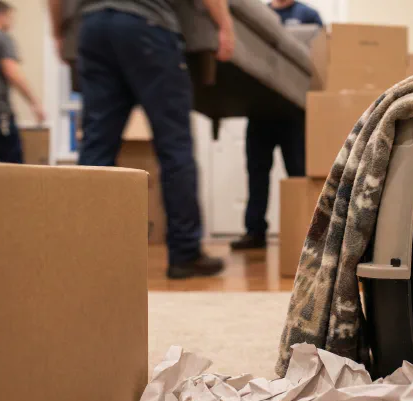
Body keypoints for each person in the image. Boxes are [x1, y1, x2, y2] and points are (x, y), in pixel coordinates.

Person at [48, 0, 235, 279]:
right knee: (174, 146)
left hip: (93, 28)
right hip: (148, 27)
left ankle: (85, 254)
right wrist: (225, 26)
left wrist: (58, 32)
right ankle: (184, 254)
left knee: (96, 148)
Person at [230, 0, 322, 251]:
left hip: (294, 112)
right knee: (257, 174)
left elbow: (322, 58)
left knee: (299, 173)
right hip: (259, 110)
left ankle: (307, 232)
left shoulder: (308, 15)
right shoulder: (261, 14)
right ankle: (254, 232)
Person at [0, 1, 45, 163]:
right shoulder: (1, 38)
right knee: (13, 166)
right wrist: (34, 102)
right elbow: (11, 70)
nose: (12, 23)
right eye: (10, 18)